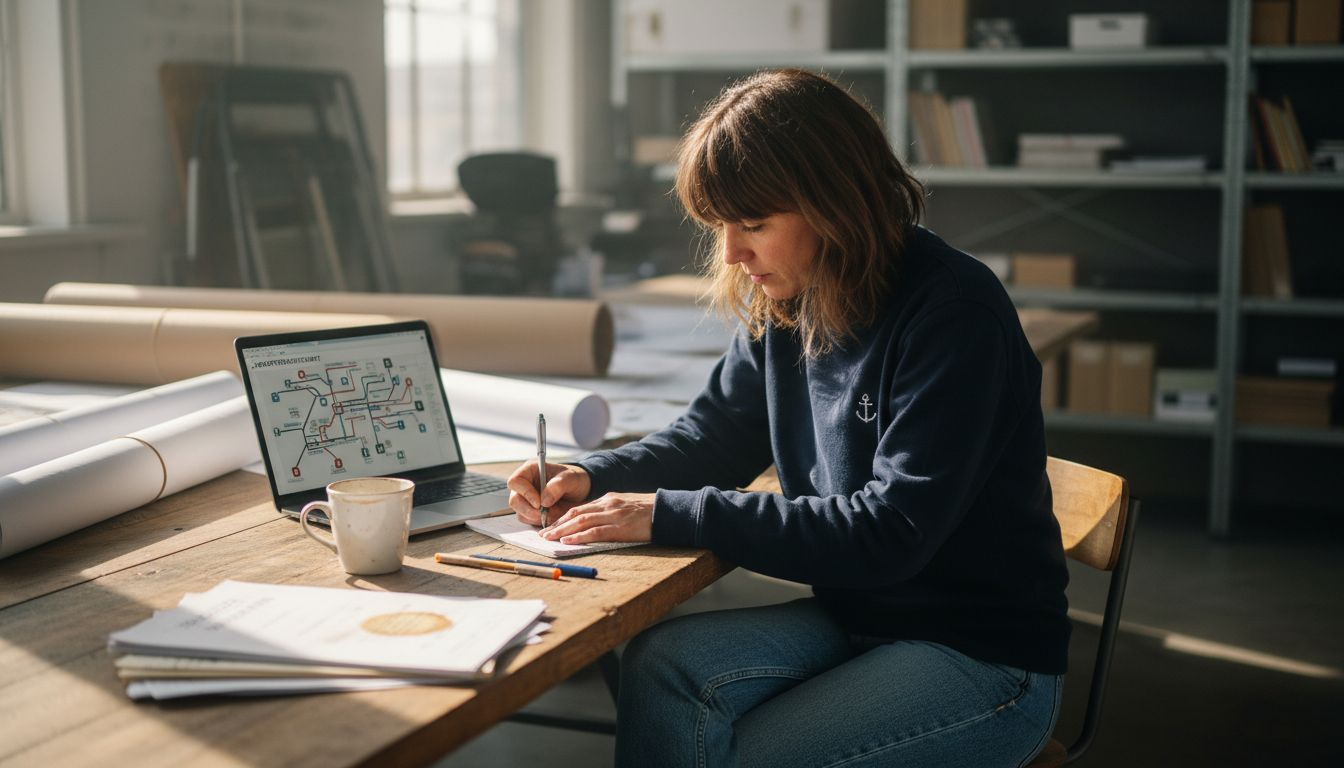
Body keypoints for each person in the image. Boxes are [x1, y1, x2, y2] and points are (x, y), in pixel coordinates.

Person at [507, 68, 1069, 768]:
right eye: (721, 226)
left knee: (737, 759)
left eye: (753, 225)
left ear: (837, 204)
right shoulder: (792, 298)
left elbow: (889, 533)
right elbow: (714, 436)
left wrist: (670, 512)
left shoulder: (955, 314)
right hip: (861, 613)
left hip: (980, 653)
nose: (733, 254)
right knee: (661, 664)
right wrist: (591, 476)